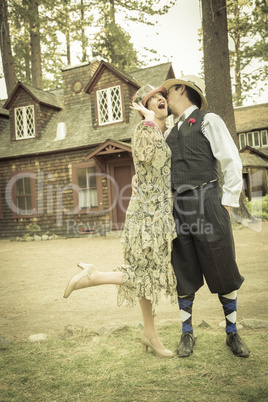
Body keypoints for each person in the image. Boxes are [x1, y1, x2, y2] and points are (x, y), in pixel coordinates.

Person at [63, 85, 178, 359]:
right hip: (148, 216)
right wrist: (149, 121)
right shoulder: (144, 129)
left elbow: (151, 168)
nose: (160, 100)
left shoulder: (163, 133)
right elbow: (144, 156)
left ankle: (149, 334)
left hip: (158, 213)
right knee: (145, 275)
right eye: (153, 99)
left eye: (162, 97)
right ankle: (95, 276)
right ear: (145, 109)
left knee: (147, 276)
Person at [160, 75, 250, 358]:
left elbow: (231, 159)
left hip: (208, 199)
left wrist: (227, 202)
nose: (164, 96)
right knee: (183, 268)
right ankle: (187, 333)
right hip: (180, 206)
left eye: (167, 91)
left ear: (182, 90)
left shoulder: (208, 120)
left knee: (222, 265)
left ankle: (232, 333)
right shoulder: (168, 132)